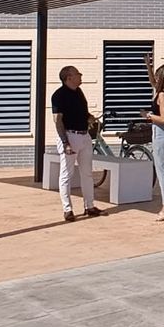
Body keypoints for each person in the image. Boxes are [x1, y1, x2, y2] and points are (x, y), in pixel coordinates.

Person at [51, 65, 102, 222]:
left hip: (84, 135)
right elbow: (57, 120)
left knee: (87, 173)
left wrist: (89, 117)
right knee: (67, 174)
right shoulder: (58, 95)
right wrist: (65, 142)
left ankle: (89, 206)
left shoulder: (79, 92)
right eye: (77, 74)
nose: (81, 76)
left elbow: (81, 111)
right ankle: (67, 209)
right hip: (70, 136)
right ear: (69, 77)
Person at [140, 53, 164, 221]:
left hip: (163, 133)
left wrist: (147, 115)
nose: (154, 78)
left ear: (162, 78)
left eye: (157, 75)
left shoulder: (162, 95)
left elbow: (163, 119)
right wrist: (148, 66)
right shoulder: (162, 92)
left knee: (163, 172)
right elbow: (152, 82)